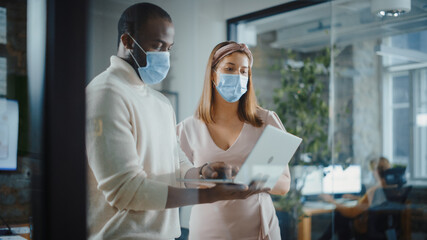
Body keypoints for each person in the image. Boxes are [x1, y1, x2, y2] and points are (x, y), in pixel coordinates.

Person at [85, 4, 268, 240]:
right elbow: (125, 190)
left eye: (168, 48)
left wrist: (202, 173)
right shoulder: (105, 94)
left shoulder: (160, 102)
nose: (164, 56)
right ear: (127, 41)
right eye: (157, 45)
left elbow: (177, 167)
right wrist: (210, 196)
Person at [176, 41, 291, 240]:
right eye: (229, 68)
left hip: (259, 230)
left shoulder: (266, 121)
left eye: (244, 71)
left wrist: (254, 177)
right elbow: (178, 181)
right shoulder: (188, 128)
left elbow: (284, 185)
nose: (238, 76)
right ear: (213, 74)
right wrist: (206, 175)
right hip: (207, 230)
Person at [317, 157, 392, 240]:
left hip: (365, 231)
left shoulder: (374, 190)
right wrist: (355, 197)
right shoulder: (390, 187)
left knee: (340, 215)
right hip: (382, 231)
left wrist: (331, 201)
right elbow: (372, 202)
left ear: (376, 171)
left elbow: (352, 212)